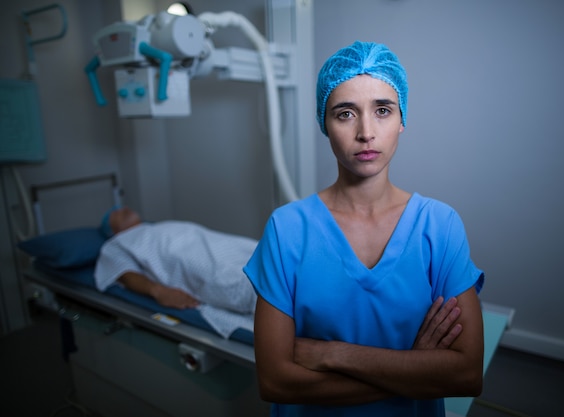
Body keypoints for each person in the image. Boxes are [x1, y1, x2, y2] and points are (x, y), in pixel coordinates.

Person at [243, 41, 485, 416]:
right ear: (324, 124)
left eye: (383, 110)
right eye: (345, 114)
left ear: (402, 119)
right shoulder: (287, 229)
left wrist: (333, 354)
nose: (366, 132)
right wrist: (411, 368)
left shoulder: (439, 226)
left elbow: (466, 374)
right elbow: (275, 381)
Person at [94, 206, 259, 338]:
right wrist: (159, 291)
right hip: (200, 262)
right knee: (249, 280)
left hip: (226, 247)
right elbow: (126, 275)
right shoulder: (115, 244)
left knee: (268, 256)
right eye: (114, 212)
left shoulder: (157, 227)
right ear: (111, 230)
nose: (122, 208)